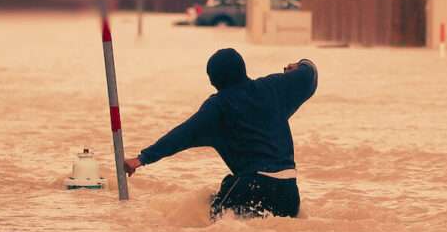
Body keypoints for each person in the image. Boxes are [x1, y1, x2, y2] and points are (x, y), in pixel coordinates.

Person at [124, 48, 318, 219]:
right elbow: (310, 74)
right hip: (290, 195)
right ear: (243, 68)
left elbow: (181, 135)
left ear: (214, 81)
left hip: (252, 187)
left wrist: (142, 158)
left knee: (210, 222)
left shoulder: (217, 108)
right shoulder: (274, 87)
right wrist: (299, 64)